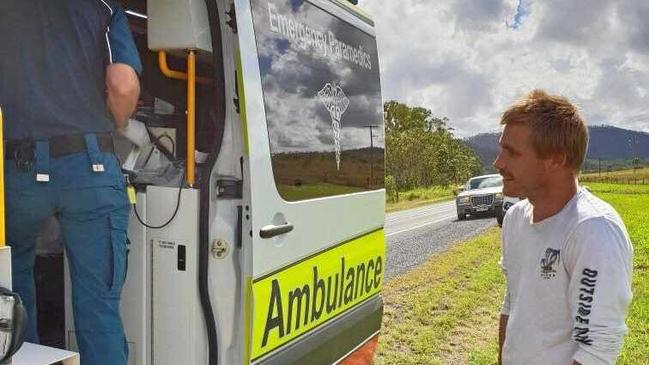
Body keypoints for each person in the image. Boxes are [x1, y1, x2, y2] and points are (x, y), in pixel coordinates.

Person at [0, 1, 141, 364]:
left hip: (16, 171)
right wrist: (119, 124)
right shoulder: (103, 6)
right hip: (89, 167)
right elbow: (122, 85)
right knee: (98, 309)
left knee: (11, 300)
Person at [493, 90, 633, 365]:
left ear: (556, 159)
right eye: (501, 149)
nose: (499, 163)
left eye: (512, 153)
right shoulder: (514, 219)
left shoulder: (592, 231)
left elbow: (598, 348)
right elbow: (512, 302)